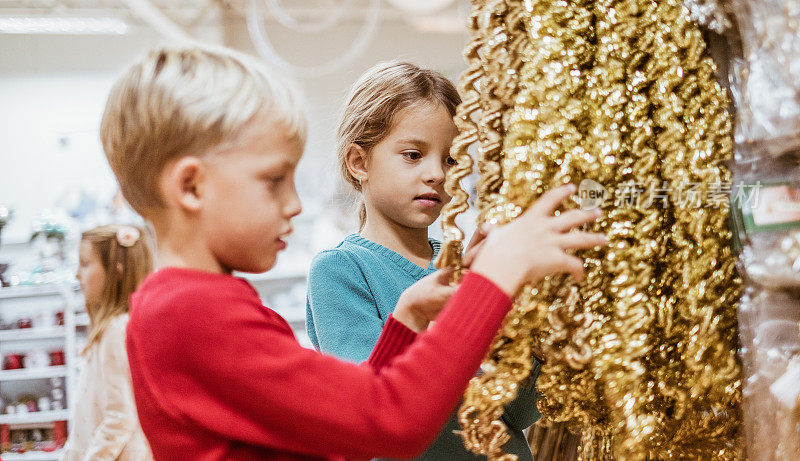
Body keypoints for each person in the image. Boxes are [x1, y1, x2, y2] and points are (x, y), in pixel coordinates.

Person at [100, 44, 606, 460]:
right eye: (274, 181)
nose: (295, 205)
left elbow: (347, 417)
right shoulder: (192, 312)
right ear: (191, 187)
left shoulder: (186, 304)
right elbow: (387, 422)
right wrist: (493, 280)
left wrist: (408, 315)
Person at [306, 61, 540, 460]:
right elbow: (374, 408)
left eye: (451, 160)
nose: (436, 173)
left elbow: (517, 413)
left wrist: (518, 317)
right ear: (358, 162)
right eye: (413, 155)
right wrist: (470, 310)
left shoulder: (465, 267)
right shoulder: (340, 271)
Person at [64, 224, 153, 461]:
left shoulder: (116, 330)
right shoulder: (112, 328)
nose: (77, 274)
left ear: (117, 271)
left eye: (84, 264)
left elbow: (120, 416)